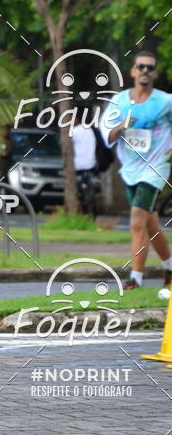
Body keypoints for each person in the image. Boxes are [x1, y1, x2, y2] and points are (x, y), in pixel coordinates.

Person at [101, 51, 172, 290]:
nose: (144, 71)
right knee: (150, 224)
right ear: (133, 71)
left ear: (155, 73)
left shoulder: (165, 101)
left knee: (136, 222)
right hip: (130, 170)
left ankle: (135, 279)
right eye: (140, 66)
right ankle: (171, 268)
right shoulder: (118, 102)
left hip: (155, 167)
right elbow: (108, 136)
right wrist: (121, 126)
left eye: (149, 68)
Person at [71, 110, 98, 216]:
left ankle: (83, 212)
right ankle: (92, 213)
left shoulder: (74, 131)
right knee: (91, 191)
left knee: (80, 192)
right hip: (91, 165)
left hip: (78, 166)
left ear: (76, 119)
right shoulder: (89, 130)